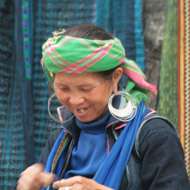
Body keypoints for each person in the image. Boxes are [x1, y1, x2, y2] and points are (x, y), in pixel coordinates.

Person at [17, 24, 190, 190]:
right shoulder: (61, 141)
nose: (75, 100)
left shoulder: (153, 136)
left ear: (115, 77)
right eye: (63, 88)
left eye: (86, 88)